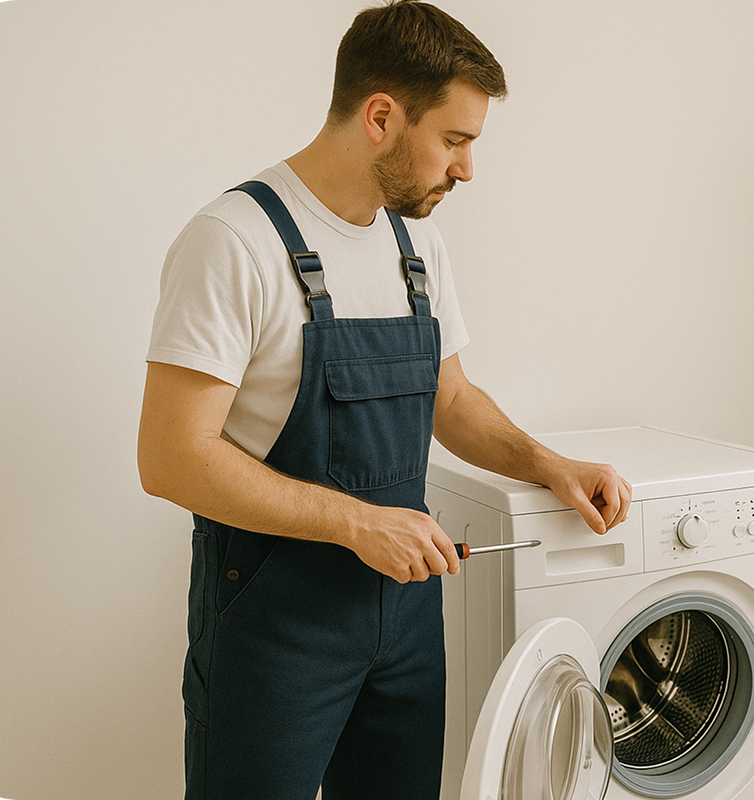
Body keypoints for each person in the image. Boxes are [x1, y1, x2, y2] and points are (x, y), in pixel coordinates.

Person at [136, 2, 632, 798]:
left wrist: (550, 466)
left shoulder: (416, 244)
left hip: (404, 621)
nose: (466, 168)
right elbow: (169, 458)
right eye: (455, 140)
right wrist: (358, 523)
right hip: (274, 629)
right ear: (380, 116)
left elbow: (452, 396)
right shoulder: (233, 240)